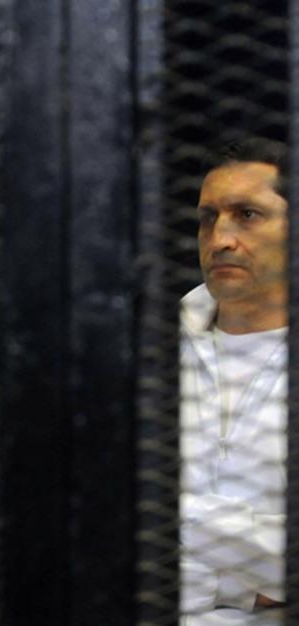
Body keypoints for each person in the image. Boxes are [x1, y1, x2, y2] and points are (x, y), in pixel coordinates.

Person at [180, 137, 288, 624]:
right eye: (208, 218)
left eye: (247, 215)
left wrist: (176, 516)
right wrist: (243, 587)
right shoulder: (140, 346)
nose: (220, 238)